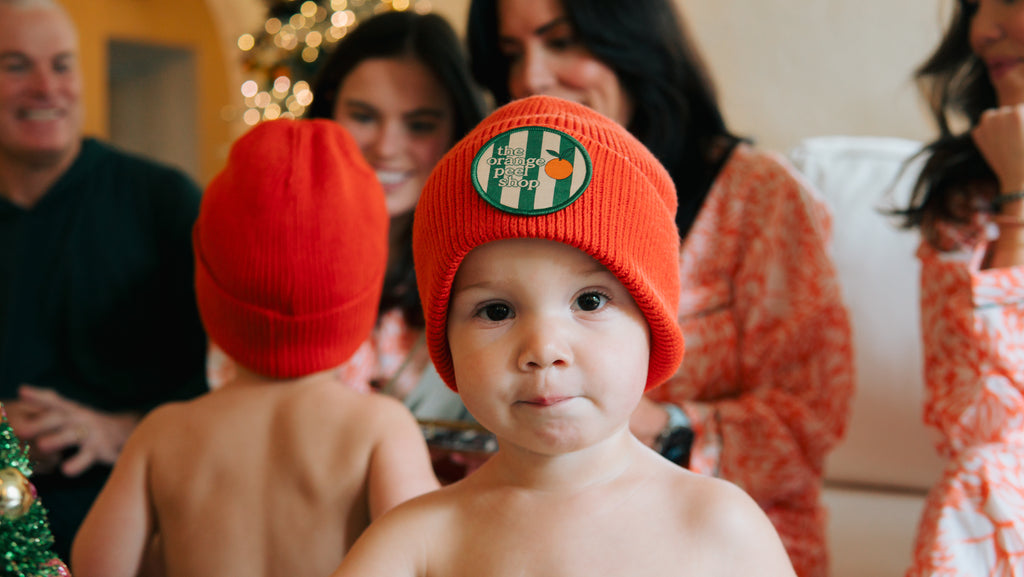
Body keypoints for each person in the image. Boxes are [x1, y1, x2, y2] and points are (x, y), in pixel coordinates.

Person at [331, 94, 796, 577]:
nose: (544, 349)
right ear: (446, 342)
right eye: (496, 310)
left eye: (590, 302)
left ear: (654, 322)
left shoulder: (720, 527)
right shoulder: (416, 541)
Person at [466, 1, 855, 575]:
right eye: (510, 55)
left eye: (563, 41)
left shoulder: (759, 197)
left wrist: (660, 427)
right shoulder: (502, 211)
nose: (530, 78)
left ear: (634, 42)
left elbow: (810, 420)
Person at [70, 118, 440, 577]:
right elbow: (431, 560)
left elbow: (95, 568)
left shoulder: (163, 435)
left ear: (211, 289)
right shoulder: (379, 429)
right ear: (358, 299)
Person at [0, 0, 207, 560]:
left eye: (62, 65)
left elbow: (229, 374)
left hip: (135, 533)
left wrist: (119, 430)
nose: (46, 87)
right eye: (16, 65)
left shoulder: (164, 201)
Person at [208, 11, 486, 419]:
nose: (387, 147)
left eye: (421, 125)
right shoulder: (263, 259)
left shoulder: (482, 264)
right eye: (364, 117)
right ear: (327, 113)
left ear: (457, 132)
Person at [896, 1, 1024, 575]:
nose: (983, 31)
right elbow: (978, 422)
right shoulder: (964, 198)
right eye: (976, 6)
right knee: (980, 473)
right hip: (1001, 507)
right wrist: (1018, 205)